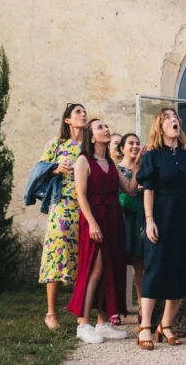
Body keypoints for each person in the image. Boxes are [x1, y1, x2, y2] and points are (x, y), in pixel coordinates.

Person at [135, 109, 186, 351]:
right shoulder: (153, 156)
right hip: (160, 218)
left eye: (175, 117)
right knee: (155, 270)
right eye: (167, 118)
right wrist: (150, 219)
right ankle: (145, 326)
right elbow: (148, 189)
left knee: (181, 272)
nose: (173, 120)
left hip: (184, 220)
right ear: (159, 126)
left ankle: (165, 325)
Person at [67, 119, 139, 343]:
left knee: (112, 267)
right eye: (100, 127)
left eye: (107, 126)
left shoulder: (110, 161)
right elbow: (81, 196)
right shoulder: (83, 160)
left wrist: (137, 165)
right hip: (94, 218)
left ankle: (103, 323)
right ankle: (83, 324)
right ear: (90, 135)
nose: (106, 129)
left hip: (113, 218)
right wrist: (92, 223)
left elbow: (130, 190)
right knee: (94, 269)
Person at [38, 103, 87, 330]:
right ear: (67, 120)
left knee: (84, 257)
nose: (83, 115)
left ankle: (81, 312)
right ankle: (51, 313)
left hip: (85, 207)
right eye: (78, 112)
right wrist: (55, 169)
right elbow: (39, 170)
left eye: (84, 112)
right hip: (62, 205)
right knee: (56, 256)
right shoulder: (56, 144)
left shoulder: (89, 146)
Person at [115, 133, 144, 325]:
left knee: (139, 262)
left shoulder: (144, 167)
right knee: (118, 262)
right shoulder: (115, 168)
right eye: (130, 143)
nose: (134, 146)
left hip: (140, 217)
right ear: (122, 148)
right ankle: (115, 308)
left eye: (137, 143)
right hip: (120, 217)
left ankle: (143, 305)